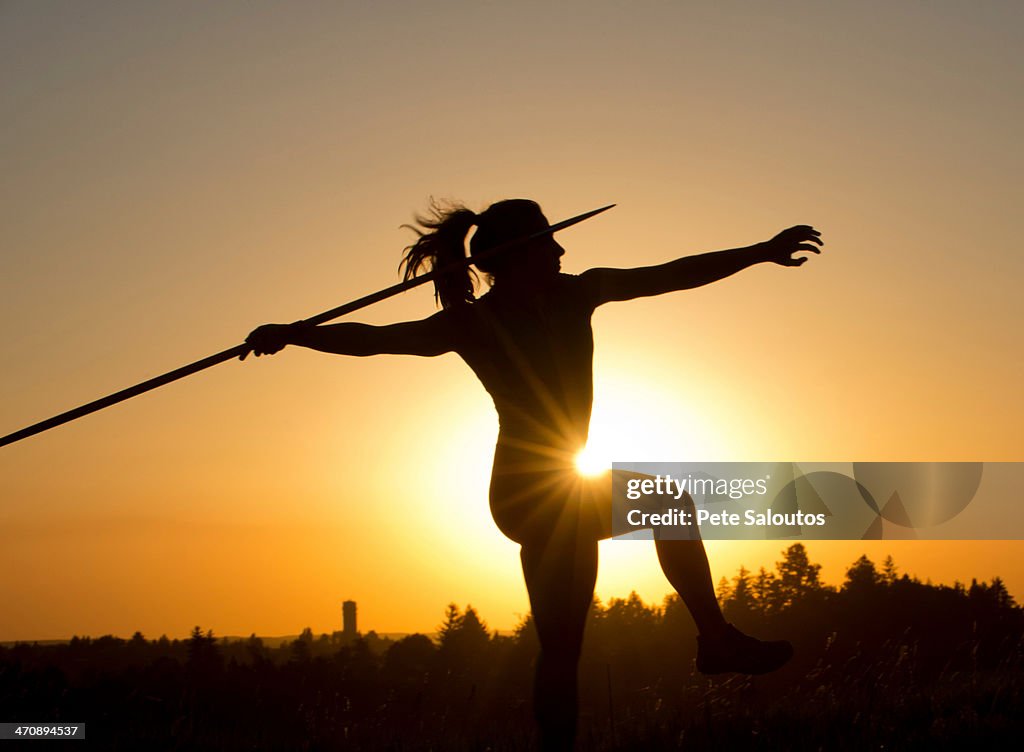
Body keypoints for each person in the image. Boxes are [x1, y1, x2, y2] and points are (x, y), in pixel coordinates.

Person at [245, 199, 823, 750]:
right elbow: (373, 341)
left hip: (562, 490)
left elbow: (672, 273)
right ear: (520, 254)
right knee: (664, 503)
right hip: (530, 494)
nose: (561, 249)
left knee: (565, 645)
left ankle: (677, 664)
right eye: (549, 239)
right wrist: (294, 333)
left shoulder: (573, 294)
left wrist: (758, 252)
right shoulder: (476, 323)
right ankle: (716, 640)